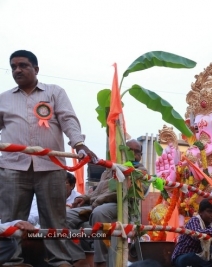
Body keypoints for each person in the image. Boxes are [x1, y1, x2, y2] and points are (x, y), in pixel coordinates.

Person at [0, 50, 97, 267]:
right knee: (10, 218)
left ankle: (59, 261)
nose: (17, 70)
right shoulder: (3, 99)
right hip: (11, 166)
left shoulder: (54, 92)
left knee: (55, 219)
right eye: (13, 66)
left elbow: (68, 119)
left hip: (51, 167)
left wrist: (78, 144)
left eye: (23, 65)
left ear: (36, 69)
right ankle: (10, 262)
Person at [67, 139, 146, 267]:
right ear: (123, 151)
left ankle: (100, 262)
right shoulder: (111, 168)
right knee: (66, 216)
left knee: (99, 214)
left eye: (137, 152)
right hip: (94, 204)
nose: (134, 154)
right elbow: (99, 189)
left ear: (140, 156)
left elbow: (140, 191)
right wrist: (85, 197)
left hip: (120, 206)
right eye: (130, 150)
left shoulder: (140, 171)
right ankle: (78, 258)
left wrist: (130, 179)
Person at [172, 199, 212, 267]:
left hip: (202, 260)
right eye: (210, 212)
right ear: (200, 212)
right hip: (182, 257)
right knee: (190, 257)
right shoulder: (194, 220)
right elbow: (198, 235)